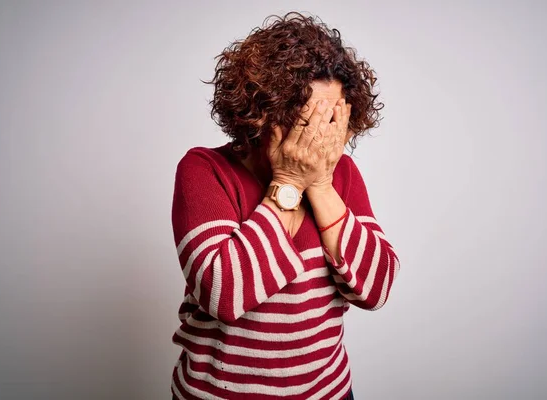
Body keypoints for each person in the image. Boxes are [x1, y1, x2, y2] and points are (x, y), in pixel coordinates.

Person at [170, 12, 400, 400]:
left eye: (332, 117)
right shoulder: (203, 170)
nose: (321, 133)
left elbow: (376, 289)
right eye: (307, 119)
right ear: (262, 112)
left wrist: (321, 184)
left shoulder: (341, 174)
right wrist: (289, 183)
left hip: (326, 391)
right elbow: (224, 295)